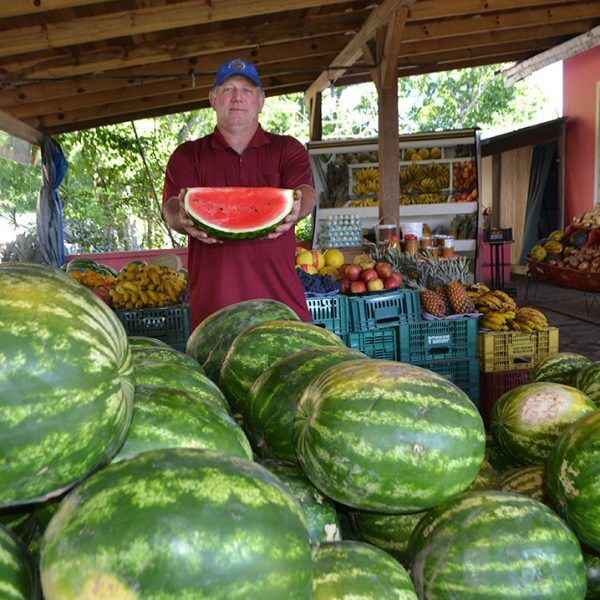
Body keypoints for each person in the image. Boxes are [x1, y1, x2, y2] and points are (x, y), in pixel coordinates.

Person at [162, 58, 316, 329]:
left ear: (261, 101)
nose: (237, 98)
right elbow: (172, 206)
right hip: (214, 311)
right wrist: (181, 216)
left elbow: (306, 192)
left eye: (246, 91)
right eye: (228, 89)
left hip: (282, 305)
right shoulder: (187, 155)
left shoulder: (287, 149)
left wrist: (298, 206)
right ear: (213, 99)